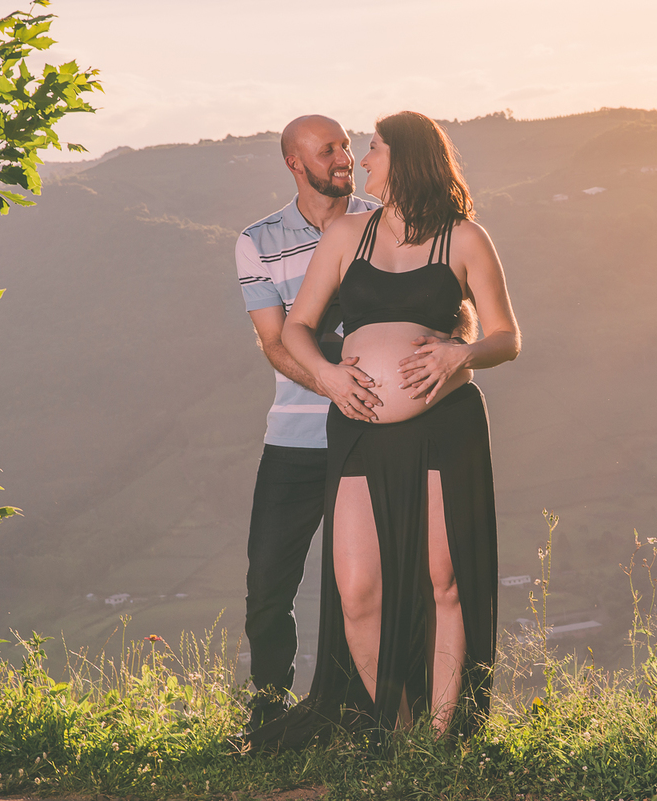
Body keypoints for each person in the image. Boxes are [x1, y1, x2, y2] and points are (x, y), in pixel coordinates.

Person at [267, 110, 521, 744]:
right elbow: (297, 327)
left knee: (446, 581)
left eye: (374, 148)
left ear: (406, 159)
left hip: (445, 424)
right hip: (359, 428)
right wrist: (326, 376)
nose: (362, 159)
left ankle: (440, 737)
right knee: (357, 590)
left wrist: (462, 354)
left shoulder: (464, 238)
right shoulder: (347, 234)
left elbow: (506, 337)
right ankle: (397, 731)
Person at [234, 115, 381, 732]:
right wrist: (330, 383)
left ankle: (358, 713)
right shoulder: (257, 241)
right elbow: (273, 342)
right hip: (294, 437)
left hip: (374, 432)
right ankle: (268, 714)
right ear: (295, 163)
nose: (344, 156)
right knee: (268, 583)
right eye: (329, 150)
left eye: (346, 145)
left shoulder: (383, 221)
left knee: (363, 585)